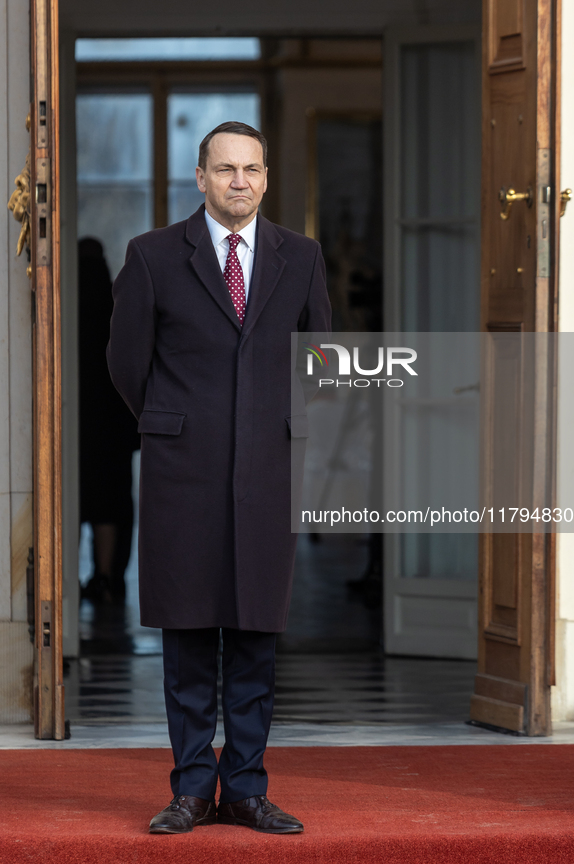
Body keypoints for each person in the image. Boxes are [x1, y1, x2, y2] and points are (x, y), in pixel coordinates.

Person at [107, 121, 331, 835]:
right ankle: (191, 788)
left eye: (252, 169)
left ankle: (246, 787)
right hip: (184, 471)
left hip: (269, 467)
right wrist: (177, 423)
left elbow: (319, 355)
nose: (240, 181)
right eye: (225, 169)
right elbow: (125, 362)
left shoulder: (302, 256)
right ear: (199, 178)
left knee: (257, 631)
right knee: (190, 632)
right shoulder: (151, 257)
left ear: (266, 179)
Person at [78, 237, 139, 605]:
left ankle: (69, 582)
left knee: (72, 503)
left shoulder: (65, 311)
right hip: (113, 431)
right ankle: (107, 576)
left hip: (76, 427)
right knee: (111, 506)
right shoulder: (116, 309)